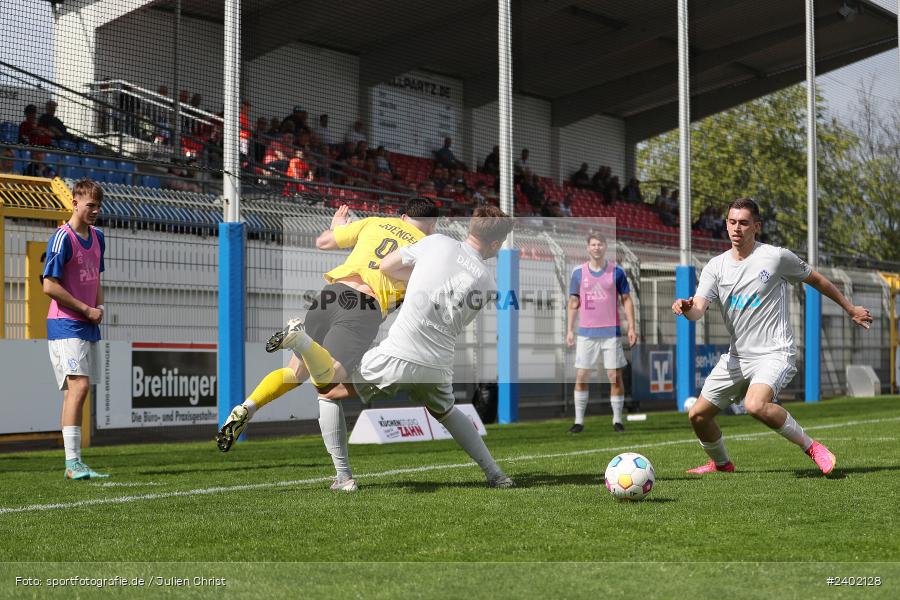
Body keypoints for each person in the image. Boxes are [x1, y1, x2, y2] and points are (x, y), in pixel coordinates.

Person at [273, 206, 516, 490]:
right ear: (496, 244)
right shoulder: (489, 284)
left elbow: (387, 266)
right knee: (447, 412)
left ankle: (343, 477)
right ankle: (496, 474)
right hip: (438, 363)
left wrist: (418, 277)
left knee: (328, 390)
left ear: (471, 227)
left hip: (400, 353)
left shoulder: (437, 242)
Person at [216, 199, 440, 466]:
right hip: (363, 307)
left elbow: (324, 242)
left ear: (403, 216)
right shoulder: (429, 249)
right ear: (433, 225)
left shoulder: (375, 222)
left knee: (294, 373)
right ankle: (298, 338)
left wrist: (336, 227)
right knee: (330, 383)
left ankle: (246, 407)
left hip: (330, 295)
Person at [672, 198, 873, 476]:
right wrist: (685, 308)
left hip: (774, 353)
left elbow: (817, 280)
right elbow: (697, 311)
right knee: (698, 415)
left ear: (757, 226)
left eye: (743, 223)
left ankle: (813, 447)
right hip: (738, 357)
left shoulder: (776, 257)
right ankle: (721, 464)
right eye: (732, 222)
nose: (736, 228)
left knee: (755, 404)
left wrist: (850, 308)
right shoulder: (715, 267)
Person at [41, 180, 108, 480]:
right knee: (78, 387)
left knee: (77, 391)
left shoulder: (99, 237)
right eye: (89, 205)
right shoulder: (61, 237)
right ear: (75, 203)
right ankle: (72, 463)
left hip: (87, 323)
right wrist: (85, 309)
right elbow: (49, 285)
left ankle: (74, 464)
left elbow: (96, 279)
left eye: (98, 206)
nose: (94, 210)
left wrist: (100, 308)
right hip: (65, 322)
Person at [566, 232, 637, 433]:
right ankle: (579, 421)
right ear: (588, 248)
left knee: (614, 376)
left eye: (600, 244)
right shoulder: (578, 273)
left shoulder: (617, 272)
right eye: (593, 244)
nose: (596, 247)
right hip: (586, 334)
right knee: (582, 375)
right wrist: (569, 330)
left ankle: (617, 420)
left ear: (605, 247)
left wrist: (632, 327)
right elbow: (573, 303)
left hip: (611, 334)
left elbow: (626, 300)